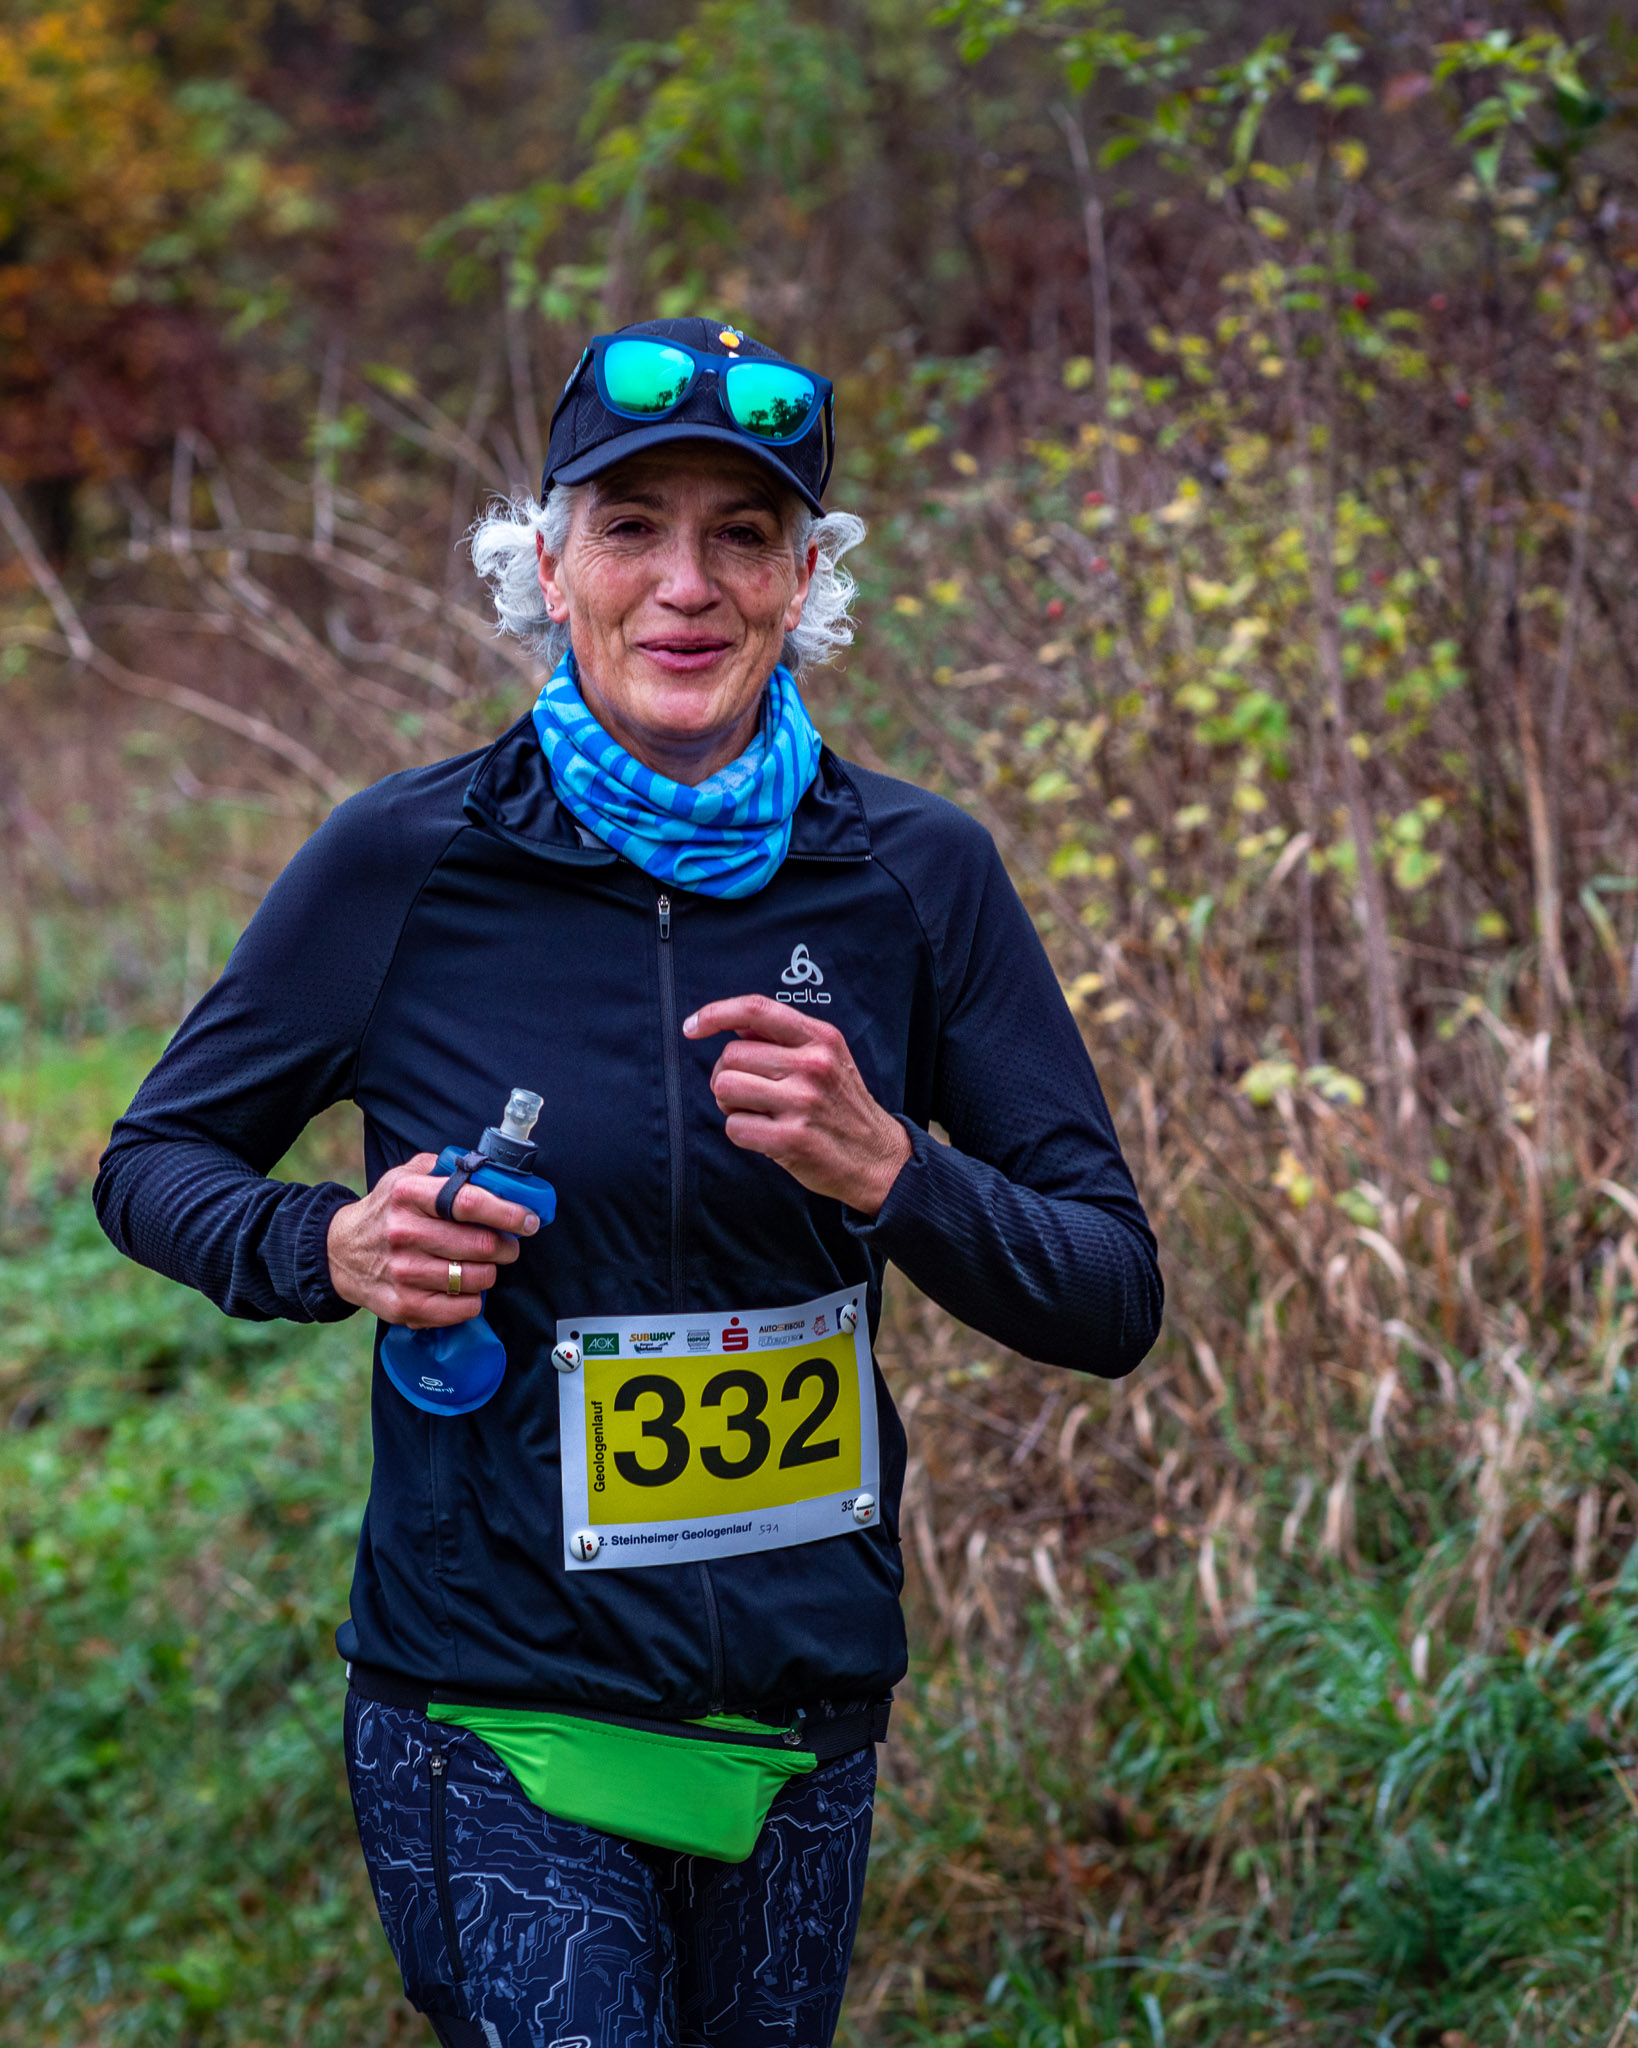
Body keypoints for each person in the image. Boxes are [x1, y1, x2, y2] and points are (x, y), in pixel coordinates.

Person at [94, 315, 1163, 2048]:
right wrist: (329, 1243)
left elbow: (1110, 1293)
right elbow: (153, 1164)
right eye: (630, 528)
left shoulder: (914, 876)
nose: (686, 584)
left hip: (797, 1708)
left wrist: (894, 1170)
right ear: (548, 566)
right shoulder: (408, 861)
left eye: (742, 535)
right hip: (495, 1696)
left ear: (804, 578)